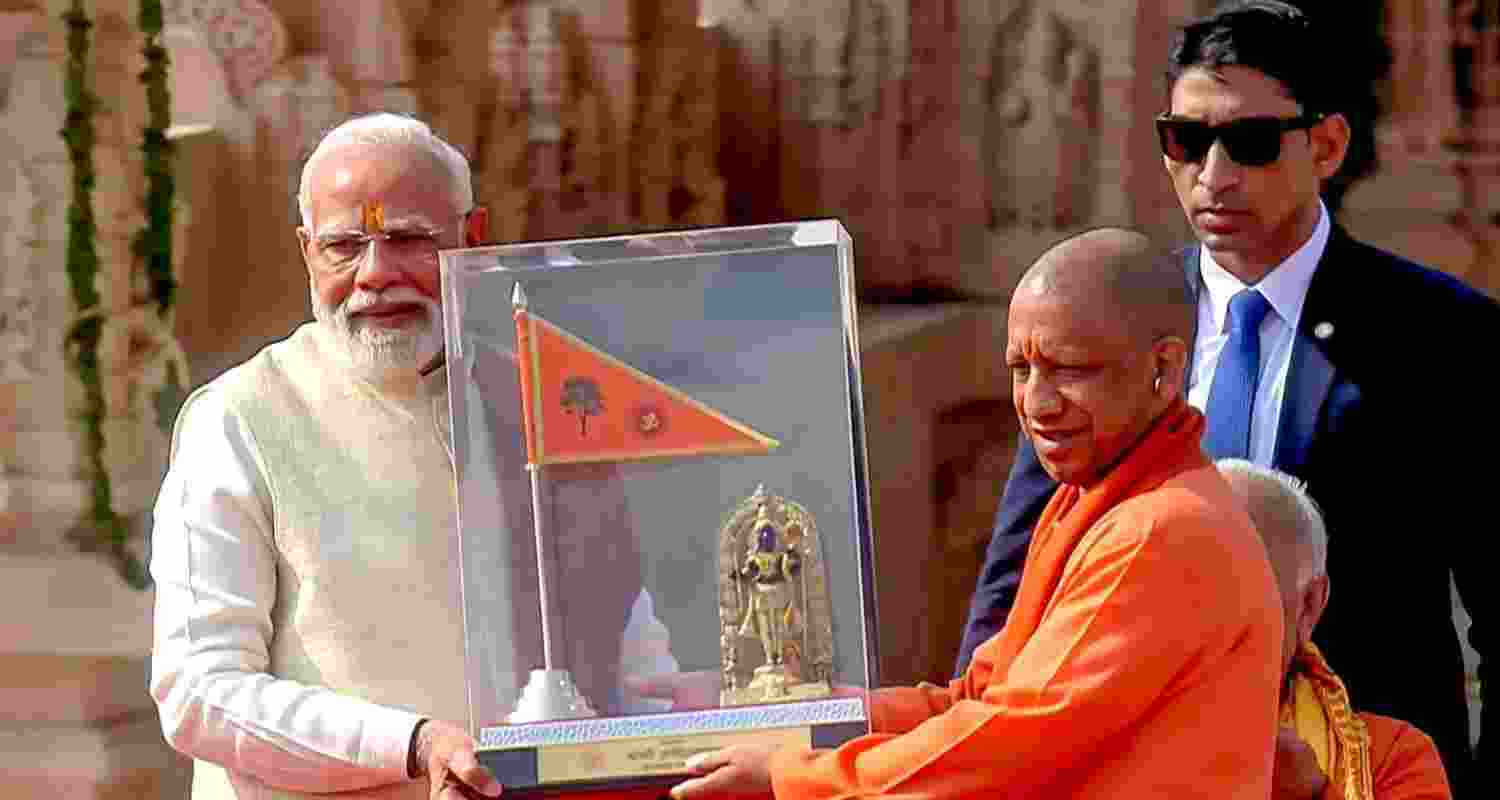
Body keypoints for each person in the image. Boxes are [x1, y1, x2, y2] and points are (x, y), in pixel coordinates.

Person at [959, 3, 1492, 792]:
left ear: (1328, 145)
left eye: (1249, 141)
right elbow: (1016, 581)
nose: (1212, 174)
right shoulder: (1113, 317)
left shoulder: (1440, 335)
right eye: (1186, 140)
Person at [149, 113, 678, 800]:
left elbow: (625, 645)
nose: (375, 273)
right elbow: (199, 691)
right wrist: (415, 745)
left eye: (406, 239)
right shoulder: (238, 418)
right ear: (308, 252)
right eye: (344, 246)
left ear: (474, 238)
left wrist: (692, 731)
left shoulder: (540, 405)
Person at [669, 228, 1284, 800]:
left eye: (1071, 369)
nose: (1037, 403)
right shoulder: (1094, 500)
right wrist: (811, 713)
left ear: (1166, 368)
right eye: (1021, 369)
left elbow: (1010, 742)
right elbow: (979, 697)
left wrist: (793, 780)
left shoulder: (1160, 527)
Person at [1218, 459, 1452, 800]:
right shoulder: (1123, 722)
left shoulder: (1391, 758)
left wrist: (1311, 793)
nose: (1201, 608)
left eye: (1232, 578)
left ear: (1309, 605)